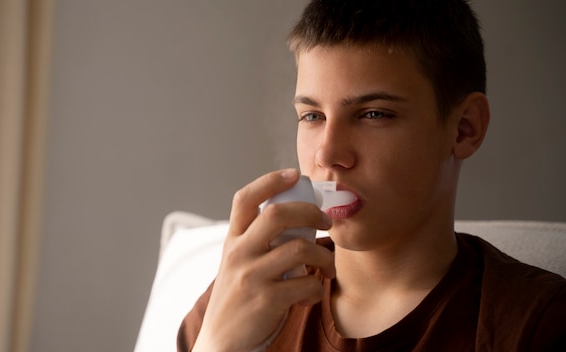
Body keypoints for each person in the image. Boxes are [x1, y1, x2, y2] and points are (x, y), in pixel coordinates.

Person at [177, 0, 566, 351]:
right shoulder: (237, 298)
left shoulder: (537, 324)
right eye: (312, 116)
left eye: (373, 114)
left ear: (464, 128)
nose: (327, 154)